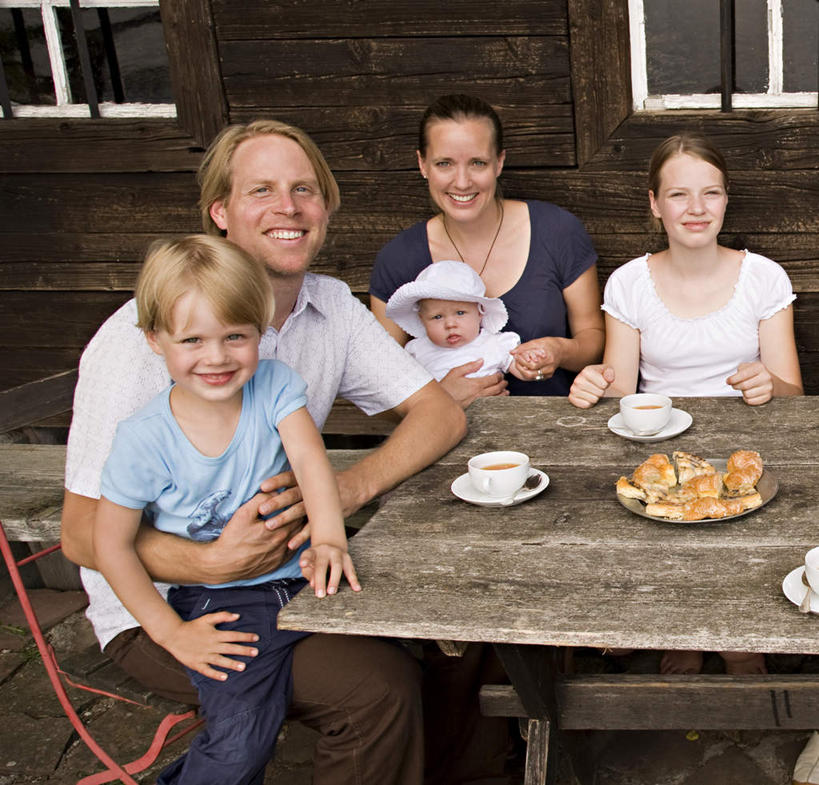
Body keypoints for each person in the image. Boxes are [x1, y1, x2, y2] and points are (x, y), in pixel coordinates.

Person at [61, 119, 467, 785]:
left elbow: (439, 413)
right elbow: (80, 532)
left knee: (460, 611)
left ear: (326, 208)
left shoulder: (327, 306)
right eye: (261, 190)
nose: (289, 207)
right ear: (219, 212)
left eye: (304, 188)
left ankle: (476, 769)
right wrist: (208, 559)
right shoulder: (143, 339)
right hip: (164, 605)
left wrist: (342, 489)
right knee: (374, 692)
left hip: (288, 572)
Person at [94, 235, 361, 784]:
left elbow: (312, 465)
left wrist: (331, 538)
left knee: (413, 652)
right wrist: (172, 634)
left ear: (260, 332)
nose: (216, 357)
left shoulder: (274, 386)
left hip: (305, 574)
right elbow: (109, 546)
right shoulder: (144, 439)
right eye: (192, 339)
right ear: (154, 340)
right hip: (226, 598)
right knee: (243, 735)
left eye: (235, 336)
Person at [569, 132, 803, 675]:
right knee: (649, 514)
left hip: (746, 444)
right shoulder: (629, 282)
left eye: (711, 193)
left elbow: (792, 392)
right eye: (678, 195)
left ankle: (738, 639)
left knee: (747, 519)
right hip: (664, 445)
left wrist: (769, 383)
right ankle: (682, 629)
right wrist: (591, 386)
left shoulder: (763, 276)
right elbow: (621, 389)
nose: (696, 209)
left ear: (726, 200)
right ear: (654, 204)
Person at [370, 93, 605, 407]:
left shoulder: (557, 231)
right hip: (446, 443)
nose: (463, 181)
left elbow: (592, 338)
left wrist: (560, 350)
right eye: (444, 164)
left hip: (555, 432)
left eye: (477, 163)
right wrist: (435, 401)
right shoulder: (398, 259)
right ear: (422, 164)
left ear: (499, 162)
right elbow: (377, 381)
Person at [385, 259, 527, 382]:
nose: (450, 324)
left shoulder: (494, 344)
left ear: (480, 313)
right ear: (422, 320)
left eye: (460, 313)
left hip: (490, 411)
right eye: (437, 317)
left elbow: (522, 369)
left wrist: (531, 360)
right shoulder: (417, 351)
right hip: (439, 412)